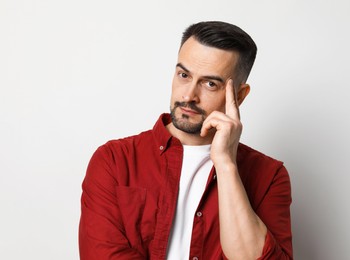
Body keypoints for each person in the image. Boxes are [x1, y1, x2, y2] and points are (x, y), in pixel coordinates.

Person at [79, 21, 293, 259]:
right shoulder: (114, 160)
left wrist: (226, 164)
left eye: (210, 84)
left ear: (239, 96)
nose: (189, 95)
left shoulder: (270, 176)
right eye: (184, 75)